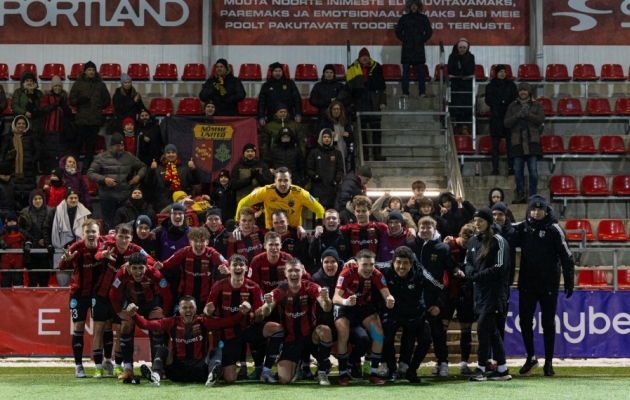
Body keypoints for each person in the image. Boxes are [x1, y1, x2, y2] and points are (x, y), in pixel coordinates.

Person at [129, 295, 251, 386]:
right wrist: (134, 315)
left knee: (216, 350)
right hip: (178, 370)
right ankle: (155, 376)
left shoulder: (203, 321)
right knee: (162, 349)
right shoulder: (171, 322)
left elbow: (226, 322)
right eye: (184, 307)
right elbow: (146, 324)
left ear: (196, 308)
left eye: (191, 307)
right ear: (179, 309)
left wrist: (242, 313)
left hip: (200, 369)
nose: (188, 310)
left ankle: (211, 376)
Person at [513, 196, 574, 377]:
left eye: (540, 209)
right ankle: (531, 357)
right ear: (529, 210)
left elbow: (567, 257)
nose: (536, 212)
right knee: (525, 322)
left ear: (546, 211)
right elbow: (503, 230)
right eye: (533, 209)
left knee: (548, 323)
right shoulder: (523, 227)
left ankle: (549, 362)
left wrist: (569, 281)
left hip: (548, 285)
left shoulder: (555, 229)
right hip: (527, 284)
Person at [92, 223, 157, 377]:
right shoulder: (108, 245)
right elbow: (97, 254)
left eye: (127, 237)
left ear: (131, 238)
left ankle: (119, 365)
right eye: (121, 236)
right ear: (116, 236)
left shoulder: (135, 249)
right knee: (100, 329)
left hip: (119, 295)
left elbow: (150, 260)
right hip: (101, 293)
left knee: (121, 329)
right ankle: (98, 367)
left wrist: (139, 264)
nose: (123, 240)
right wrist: (104, 256)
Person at [263, 257, 334, 385]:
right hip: (291, 339)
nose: (294, 273)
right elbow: (266, 312)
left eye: (296, 270)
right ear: (285, 273)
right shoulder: (280, 291)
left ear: (302, 271)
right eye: (290, 271)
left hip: (309, 336)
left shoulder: (310, 286)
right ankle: (298, 363)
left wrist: (327, 300)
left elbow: (326, 307)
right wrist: (267, 305)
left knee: (325, 330)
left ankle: (322, 371)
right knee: (284, 380)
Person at [377, 246, 443, 383]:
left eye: (405, 263)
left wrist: (437, 304)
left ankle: (411, 370)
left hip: (415, 312)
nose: (401, 266)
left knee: (426, 339)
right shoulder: (384, 268)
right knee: (386, 338)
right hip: (392, 312)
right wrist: (353, 261)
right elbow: (367, 263)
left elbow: (439, 287)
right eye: (398, 262)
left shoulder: (420, 272)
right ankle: (392, 370)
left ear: (411, 264)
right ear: (393, 262)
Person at [408, 216, 463, 377]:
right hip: (414, 299)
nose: (425, 230)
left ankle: (443, 362)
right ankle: (406, 365)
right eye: (422, 227)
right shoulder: (410, 246)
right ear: (418, 228)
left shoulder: (442, 248)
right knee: (410, 334)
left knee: (438, 333)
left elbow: (451, 267)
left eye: (428, 228)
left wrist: (456, 271)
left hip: (434, 299)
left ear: (434, 228)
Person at [333, 249, 395, 385]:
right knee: (343, 332)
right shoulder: (347, 272)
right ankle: (343, 373)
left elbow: (387, 294)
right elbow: (335, 297)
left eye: (371, 264)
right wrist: (346, 301)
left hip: (363, 305)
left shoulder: (376, 274)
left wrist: (390, 300)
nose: (368, 268)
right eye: (365, 265)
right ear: (357, 264)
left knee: (378, 333)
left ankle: (373, 373)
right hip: (345, 305)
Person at [465, 208, 512, 381]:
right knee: (492, 332)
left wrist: (477, 277)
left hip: (494, 293)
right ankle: (502, 369)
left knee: (484, 329)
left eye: (481, 220)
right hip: (479, 293)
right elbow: (467, 262)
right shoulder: (472, 241)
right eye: (475, 220)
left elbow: (500, 267)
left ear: (488, 222)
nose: (477, 224)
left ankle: (481, 368)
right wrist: (471, 274)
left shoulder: (499, 241)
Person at [109, 252, 171, 380]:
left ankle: (157, 369)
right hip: (132, 302)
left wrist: (163, 312)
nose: (138, 272)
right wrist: (120, 312)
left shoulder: (154, 273)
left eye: (141, 268)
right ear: (129, 267)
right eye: (135, 268)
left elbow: (167, 293)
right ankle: (128, 369)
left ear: (146, 266)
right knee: (126, 326)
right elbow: (113, 294)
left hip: (151, 302)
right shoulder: (122, 273)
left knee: (157, 328)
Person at [56, 219, 105, 378]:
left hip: (97, 293)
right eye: (88, 232)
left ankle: (105, 362)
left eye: (94, 231)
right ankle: (78, 366)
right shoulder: (76, 247)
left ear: (98, 233)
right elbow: (61, 267)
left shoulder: (104, 245)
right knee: (79, 327)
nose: (91, 234)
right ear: (82, 234)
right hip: (79, 293)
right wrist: (66, 260)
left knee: (101, 327)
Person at [206, 254, 265, 383]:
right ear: (229, 267)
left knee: (273, 328)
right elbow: (207, 312)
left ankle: (264, 368)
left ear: (246, 268)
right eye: (235, 265)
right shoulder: (219, 286)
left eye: (241, 265)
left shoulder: (253, 287)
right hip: (228, 333)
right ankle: (214, 363)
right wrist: (208, 311)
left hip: (247, 329)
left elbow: (259, 318)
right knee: (230, 379)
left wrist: (258, 314)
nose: (238, 267)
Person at [88, 132, 147, 233]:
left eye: (122, 145)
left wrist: (138, 176)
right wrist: (104, 179)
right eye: (118, 146)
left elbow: (143, 167)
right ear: (111, 146)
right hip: (107, 197)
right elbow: (90, 173)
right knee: (108, 226)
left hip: (125, 197)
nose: (120, 148)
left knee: (126, 226)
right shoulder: (101, 157)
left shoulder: (129, 157)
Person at [157, 227, 228, 308]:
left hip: (206, 298)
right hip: (185, 296)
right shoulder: (184, 252)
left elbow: (225, 262)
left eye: (202, 241)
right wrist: (160, 266)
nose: (198, 244)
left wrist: (226, 268)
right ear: (190, 242)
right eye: (196, 241)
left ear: (207, 242)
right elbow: (167, 263)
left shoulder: (211, 253)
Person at [236, 167, 325, 229]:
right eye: (280, 180)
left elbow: (319, 209)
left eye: (286, 180)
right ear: (275, 181)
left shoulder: (300, 193)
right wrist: (238, 223)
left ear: (291, 181)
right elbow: (243, 203)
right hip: (272, 232)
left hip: (293, 231)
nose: (283, 184)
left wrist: (319, 225)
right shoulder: (266, 191)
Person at [441, 223, 477, 374]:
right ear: (460, 235)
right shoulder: (449, 244)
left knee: (466, 330)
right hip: (449, 292)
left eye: (470, 242)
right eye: (465, 241)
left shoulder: (476, 247)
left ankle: (464, 364)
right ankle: (442, 363)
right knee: (441, 329)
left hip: (466, 292)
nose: (467, 245)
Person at [504, 82, 545, 204]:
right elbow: (506, 123)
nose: (523, 92)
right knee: (518, 172)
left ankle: (533, 196)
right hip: (517, 143)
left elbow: (541, 119)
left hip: (532, 142)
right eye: (521, 90)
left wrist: (528, 114)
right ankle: (520, 194)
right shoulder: (512, 106)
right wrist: (518, 115)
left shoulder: (537, 104)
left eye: (525, 90)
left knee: (533, 171)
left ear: (528, 92)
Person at [43, 187, 92, 288]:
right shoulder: (55, 211)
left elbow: (90, 230)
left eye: (75, 198)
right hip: (60, 251)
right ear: (66, 199)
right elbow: (46, 228)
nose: (73, 200)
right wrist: (48, 243)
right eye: (71, 198)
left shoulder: (85, 213)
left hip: (79, 251)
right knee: (63, 285)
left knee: (78, 284)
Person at [69, 61, 111, 173]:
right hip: (81, 121)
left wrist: (99, 106)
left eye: (93, 70)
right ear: (85, 71)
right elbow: (72, 100)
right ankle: (74, 168)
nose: (91, 72)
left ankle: (86, 169)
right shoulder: (78, 84)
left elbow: (107, 100)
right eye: (89, 70)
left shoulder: (101, 85)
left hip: (95, 121)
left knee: (90, 147)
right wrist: (79, 101)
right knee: (77, 145)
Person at [346, 48, 387, 161]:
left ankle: (377, 153)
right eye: (363, 56)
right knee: (362, 131)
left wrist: (383, 101)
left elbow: (383, 87)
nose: (365, 58)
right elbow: (349, 88)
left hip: (374, 103)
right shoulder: (352, 68)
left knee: (376, 130)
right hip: (360, 103)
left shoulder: (377, 67)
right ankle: (364, 155)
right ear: (359, 58)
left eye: (366, 56)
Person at [0, 115, 41, 209]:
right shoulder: (8, 137)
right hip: (13, 170)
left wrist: (32, 160)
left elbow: (38, 151)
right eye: (19, 123)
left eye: (23, 123)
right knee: (14, 196)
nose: (21, 125)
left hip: (28, 172)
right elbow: (2, 152)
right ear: (15, 124)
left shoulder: (32, 136)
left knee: (28, 196)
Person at [152, 203, 191, 298]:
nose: (177, 216)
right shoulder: (159, 231)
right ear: (170, 215)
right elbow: (138, 231)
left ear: (184, 215)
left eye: (180, 213)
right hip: (164, 274)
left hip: (183, 276)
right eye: (174, 213)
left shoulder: (191, 232)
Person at [485, 64, 518, 175]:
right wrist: (501, 103)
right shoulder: (490, 86)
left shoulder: (511, 85)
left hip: (508, 118)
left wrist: (502, 103)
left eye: (504, 71)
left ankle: (511, 168)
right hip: (496, 119)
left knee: (510, 145)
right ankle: (495, 169)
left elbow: (514, 98)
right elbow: (488, 100)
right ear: (496, 73)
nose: (503, 73)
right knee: (495, 145)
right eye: (500, 71)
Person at [396, 0, 433, 98]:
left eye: (415, 5)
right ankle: (405, 93)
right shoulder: (404, 18)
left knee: (421, 71)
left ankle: (422, 92)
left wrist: (422, 39)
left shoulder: (423, 18)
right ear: (409, 7)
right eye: (412, 5)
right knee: (406, 71)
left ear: (418, 7)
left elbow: (429, 31)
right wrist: (405, 40)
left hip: (418, 48)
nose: (414, 7)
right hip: (407, 49)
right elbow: (398, 31)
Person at [18, 189, 53, 287]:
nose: (38, 201)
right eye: (35, 199)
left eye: (40, 198)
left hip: (46, 253)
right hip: (31, 252)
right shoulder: (24, 213)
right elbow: (20, 230)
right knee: (32, 280)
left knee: (44, 281)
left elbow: (55, 230)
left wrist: (47, 240)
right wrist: (29, 242)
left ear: (43, 199)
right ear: (31, 200)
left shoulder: (51, 212)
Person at [40, 75, 72, 173]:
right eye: (55, 86)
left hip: (61, 131)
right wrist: (56, 104)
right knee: (49, 154)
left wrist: (63, 105)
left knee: (61, 155)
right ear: (52, 87)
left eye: (59, 86)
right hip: (48, 131)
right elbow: (44, 110)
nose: (57, 88)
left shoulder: (65, 98)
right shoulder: (46, 97)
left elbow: (69, 113)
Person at [306, 129, 344, 211]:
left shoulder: (337, 153)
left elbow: (340, 169)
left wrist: (337, 180)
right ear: (321, 138)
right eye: (324, 137)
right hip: (317, 188)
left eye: (329, 137)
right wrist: (315, 176)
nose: (327, 139)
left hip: (332, 189)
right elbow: (309, 169)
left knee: (331, 214)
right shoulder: (314, 152)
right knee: (318, 215)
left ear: (331, 139)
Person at [317, 101, 354, 172]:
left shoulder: (345, 122)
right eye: (334, 109)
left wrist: (348, 135)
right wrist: (329, 133)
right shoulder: (325, 120)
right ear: (330, 110)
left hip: (343, 149)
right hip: (329, 150)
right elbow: (319, 134)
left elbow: (352, 138)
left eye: (338, 109)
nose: (336, 111)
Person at [447, 38, 475, 134]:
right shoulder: (452, 57)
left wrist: (459, 73)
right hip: (456, 86)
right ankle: (458, 126)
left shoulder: (471, 57)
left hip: (466, 87)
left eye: (464, 47)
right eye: (460, 47)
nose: (462, 49)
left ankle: (465, 127)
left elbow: (470, 70)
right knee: (457, 107)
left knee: (466, 106)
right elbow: (451, 70)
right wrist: (463, 74)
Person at [0, 212, 32, 288]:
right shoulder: (3, 231)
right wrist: (1, 242)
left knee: (18, 277)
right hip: (6, 258)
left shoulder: (21, 231)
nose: (12, 223)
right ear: (6, 222)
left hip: (18, 257)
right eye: (10, 222)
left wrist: (27, 245)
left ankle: (18, 296)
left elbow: (29, 237)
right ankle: (5, 297)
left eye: (13, 221)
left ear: (16, 222)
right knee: (6, 278)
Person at [10, 71, 44, 140]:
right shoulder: (18, 92)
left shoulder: (39, 93)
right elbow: (14, 106)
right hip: (22, 123)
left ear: (34, 82)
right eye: (27, 80)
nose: (29, 82)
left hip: (36, 124)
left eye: (31, 80)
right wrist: (24, 112)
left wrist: (37, 111)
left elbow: (43, 106)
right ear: (23, 82)